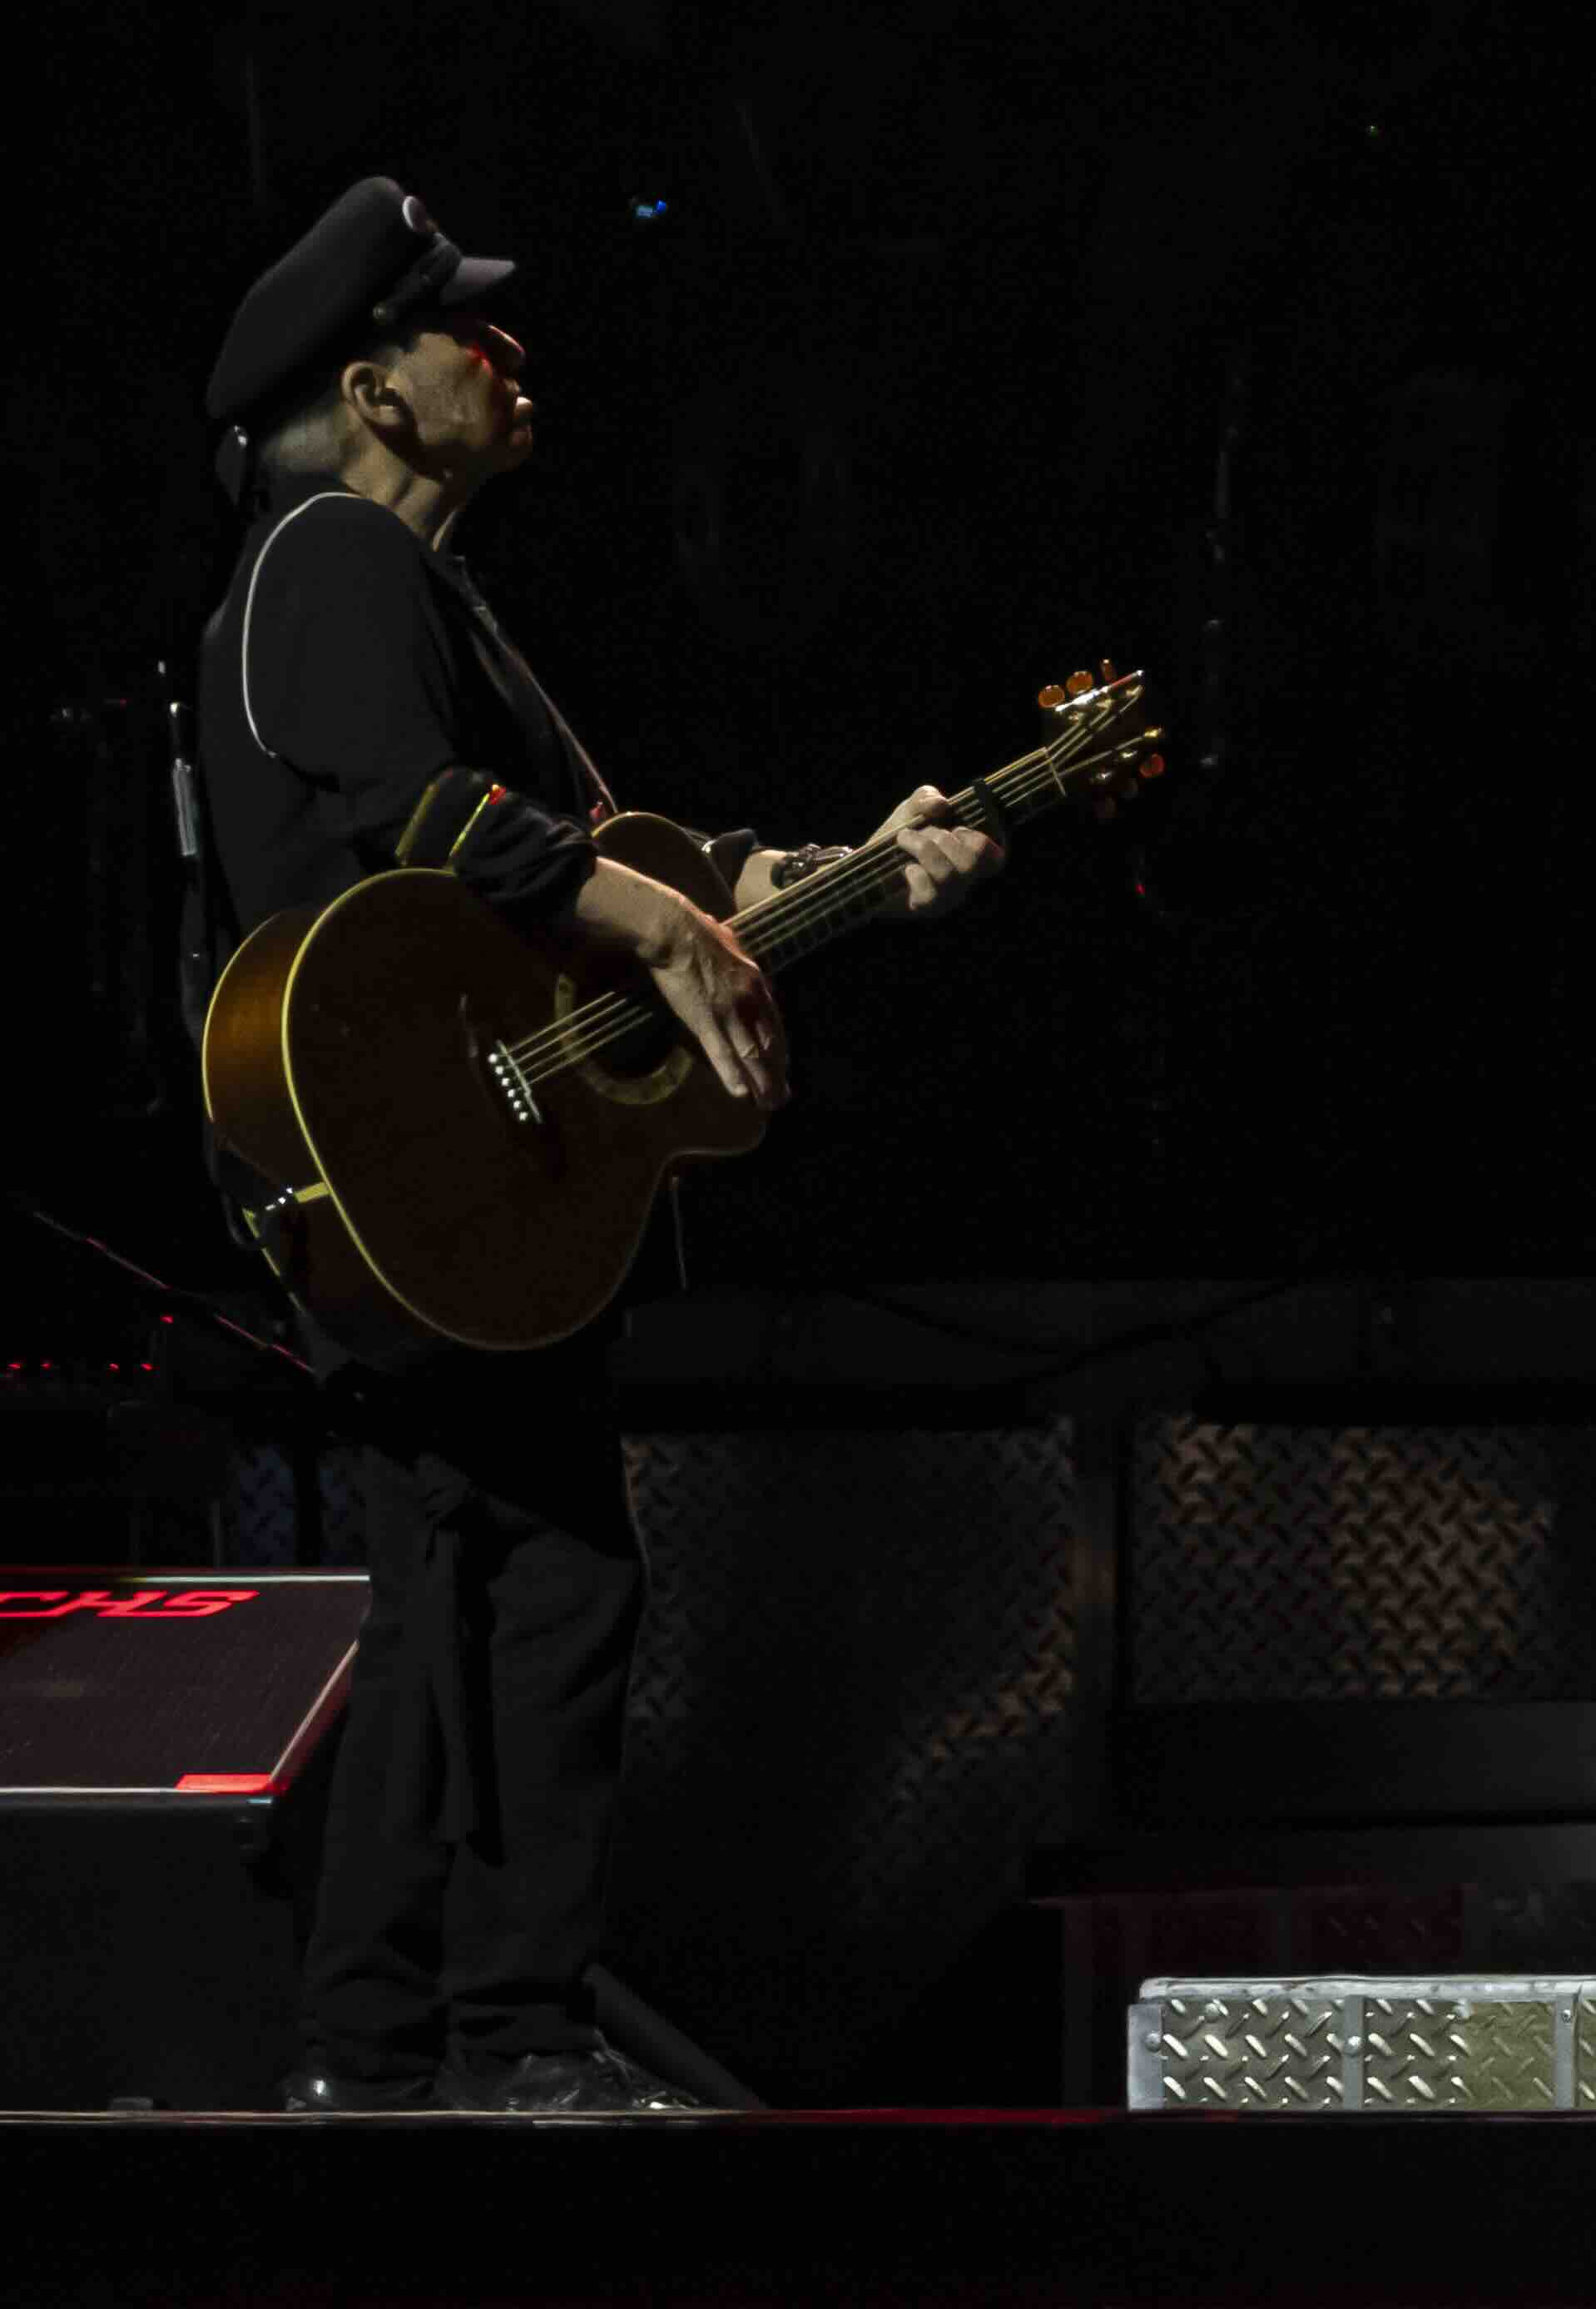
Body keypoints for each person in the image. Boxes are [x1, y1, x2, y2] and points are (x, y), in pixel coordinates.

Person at [187, 177, 1004, 2114]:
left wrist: (840, 875)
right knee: (525, 1573)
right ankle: (475, 2033)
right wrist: (643, 920)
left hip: (462, 1170)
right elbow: (413, 814)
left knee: (483, 1571)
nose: (510, 350)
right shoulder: (328, 561)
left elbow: (616, 860)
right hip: (411, 1159)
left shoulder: (422, 588)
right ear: (373, 390)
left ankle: (398, 2035)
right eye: (467, 329)